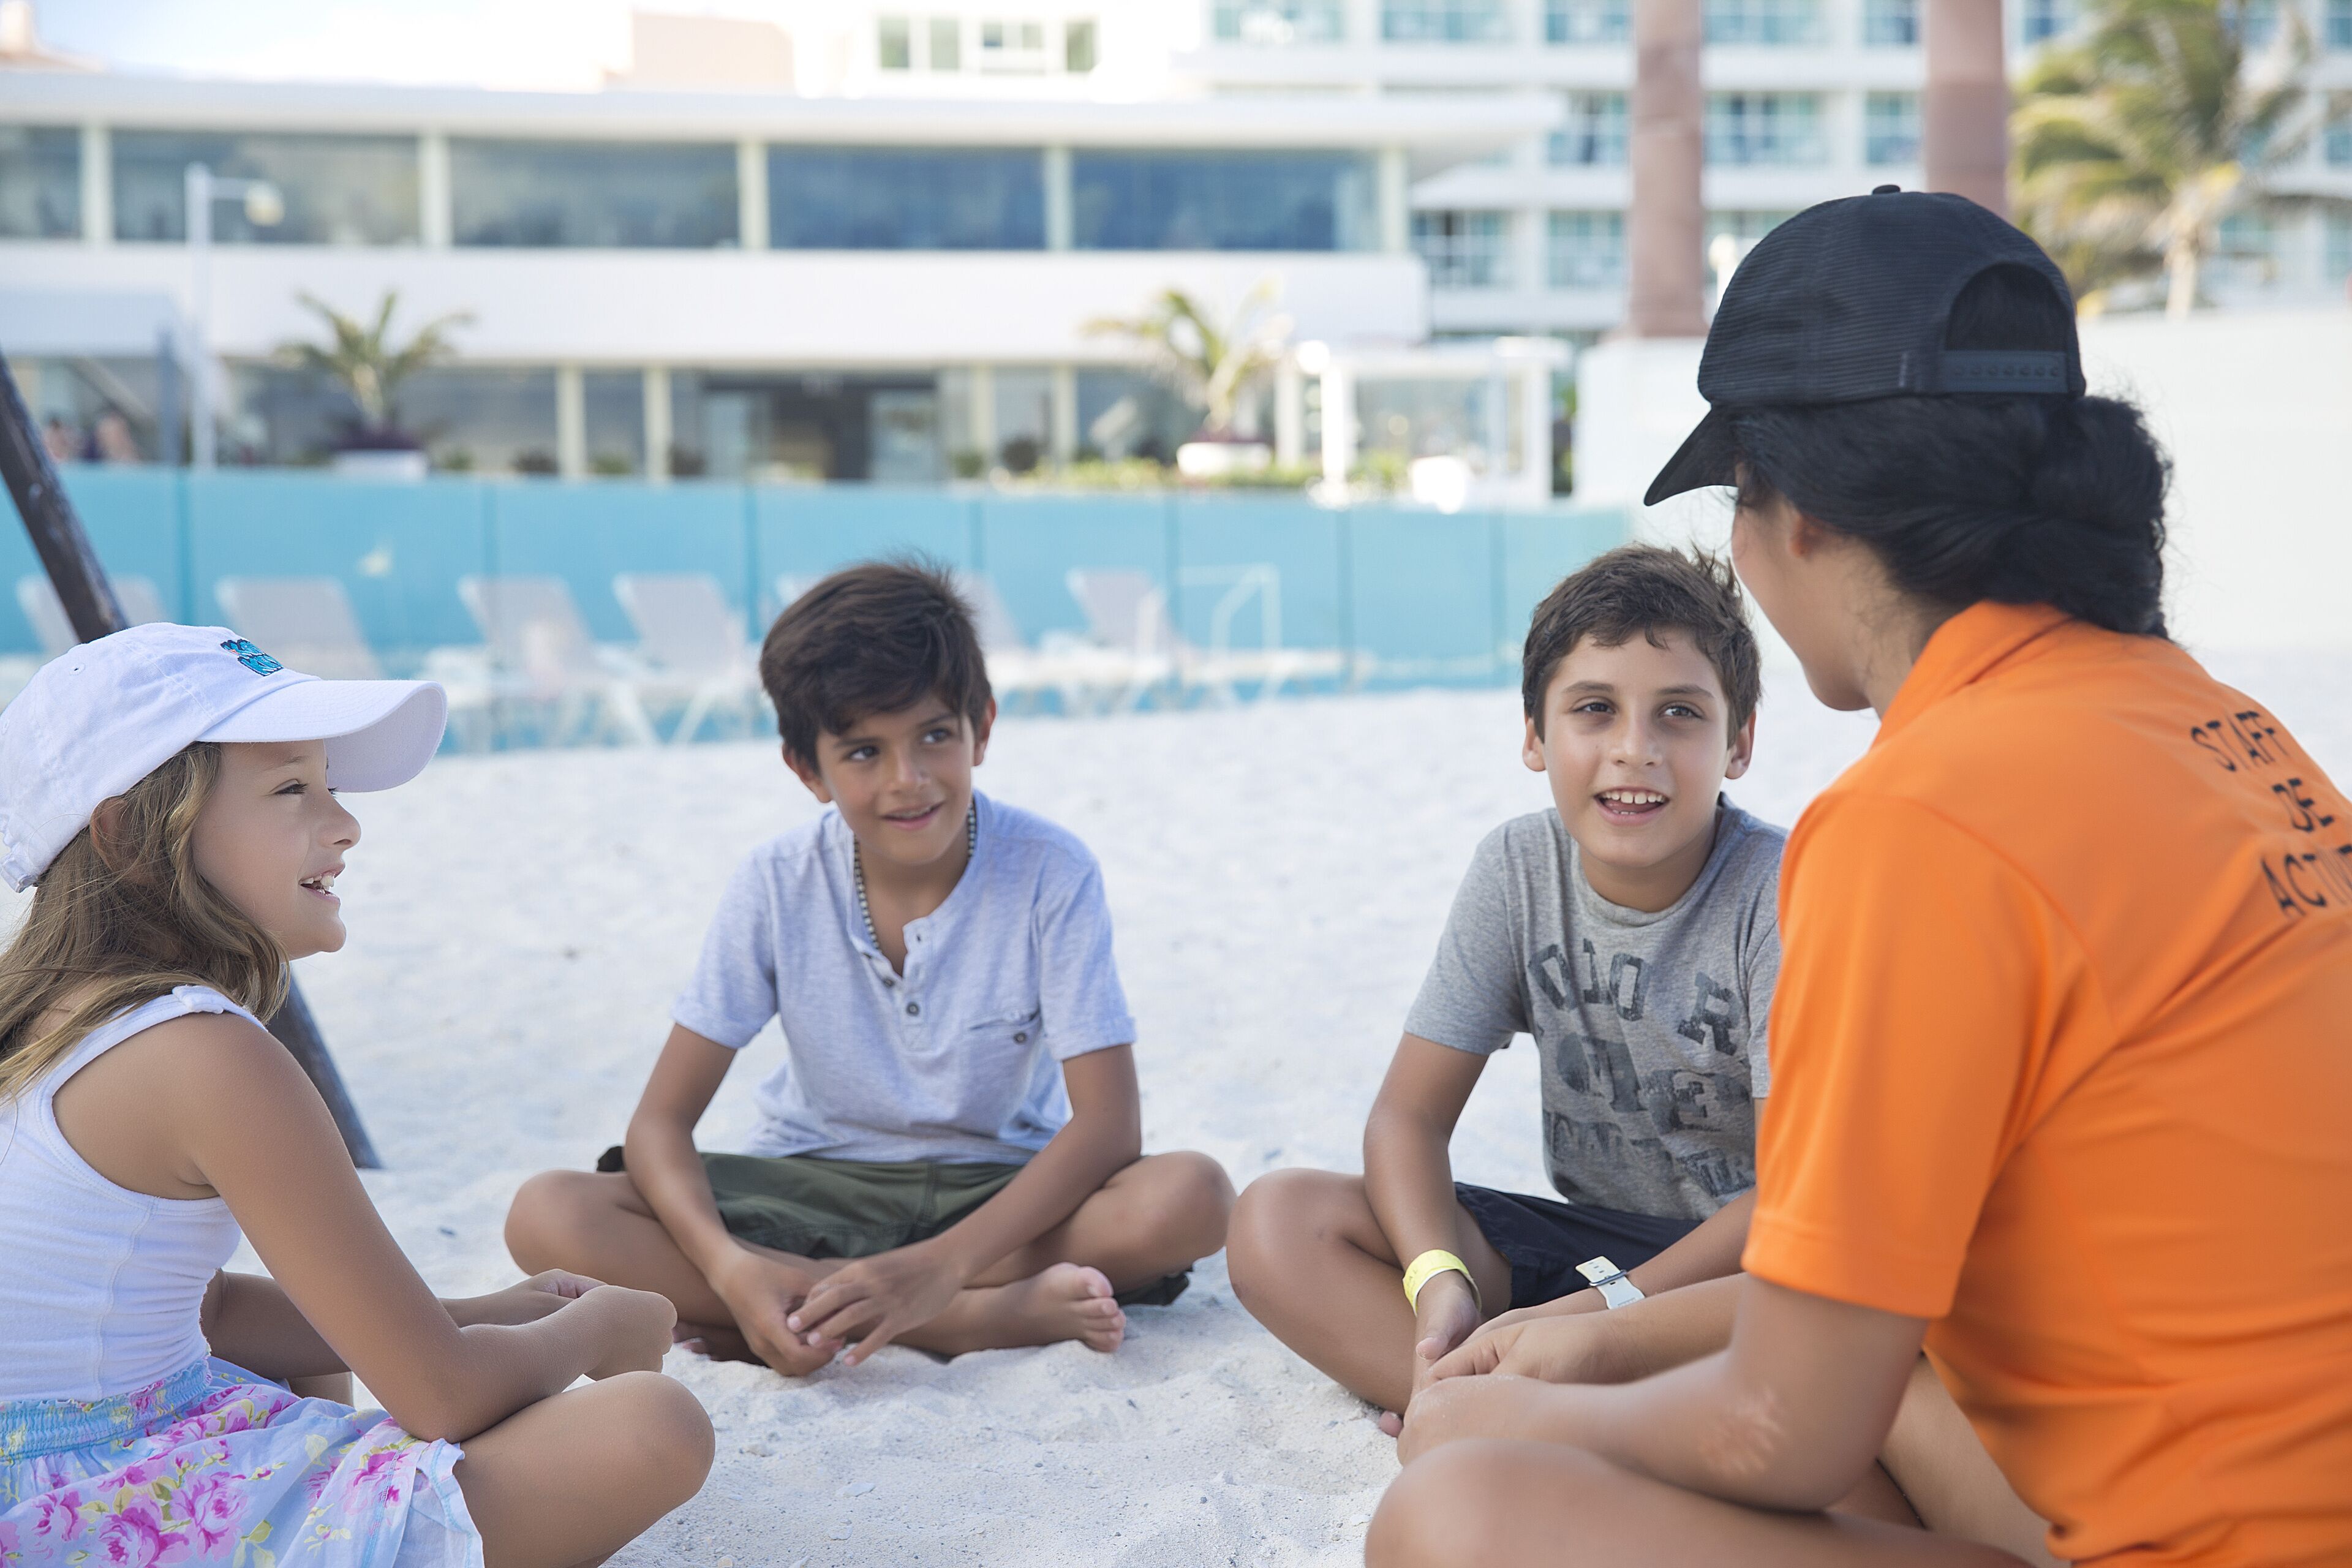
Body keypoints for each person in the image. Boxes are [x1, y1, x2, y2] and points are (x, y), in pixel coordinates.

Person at [1375, 191, 2352, 1567]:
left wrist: (1522, 1413)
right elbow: (1878, 1305)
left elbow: (1786, 1424)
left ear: (1805, 518)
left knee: (1454, 1508)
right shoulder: (2232, 729)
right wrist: (1598, 1337)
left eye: (1739, 506)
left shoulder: (1918, 819)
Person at [0, 625, 712, 1568]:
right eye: (293, 788)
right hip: (83, 1508)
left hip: (32, 1464)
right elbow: (440, 1396)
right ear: (131, 835)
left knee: (306, 1355)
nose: (345, 823)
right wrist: (600, 1327)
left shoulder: (48, 1017)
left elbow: (201, 1313)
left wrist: (497, 1309)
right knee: (653, 1425)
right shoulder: (205, 1057)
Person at [504, 562, 1234, 1374]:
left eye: (934, 736)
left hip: (992, 1196)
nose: (907, 779)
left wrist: (939, 1266)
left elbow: (1107, 1126)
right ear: (807, 770)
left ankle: (845, 1308)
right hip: (805, 1187)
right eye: (862, 751)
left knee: (1192, 1197)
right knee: (549, 1212)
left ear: (981, 728)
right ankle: (961, 1322)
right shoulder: (776, 882)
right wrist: (729, 1267)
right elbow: (658, 1125)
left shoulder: (1050, 871)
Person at [1226, 545, 1781, 1428]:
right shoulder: (1518, 871)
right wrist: (1438, 1283)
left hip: (1744, 1277)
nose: (1635, 749)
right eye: (1594, 709)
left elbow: (1797, 1194)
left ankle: (1521, 1415)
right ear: (1534, 735)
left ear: (1739, 741)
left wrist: (1596, 1320)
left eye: (1680, 713)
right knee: (1277, 1222)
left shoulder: (1780, 896)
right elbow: (1407, 1120)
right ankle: (1494, 1397)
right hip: (1593, 1252)